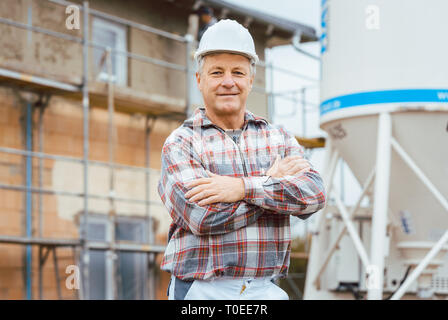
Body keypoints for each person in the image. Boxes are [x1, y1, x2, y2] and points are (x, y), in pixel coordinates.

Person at [158, 19, 326, 300]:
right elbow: (202, 217)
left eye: (238, 72)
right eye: (216, 72)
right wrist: (271, 185)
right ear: (199, 80)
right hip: (202, 290)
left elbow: (314, 195)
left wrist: (242, 189)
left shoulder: (278, 137)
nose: (228, 82)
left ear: (251, 80)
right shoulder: (181, 143)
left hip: (265, 289)